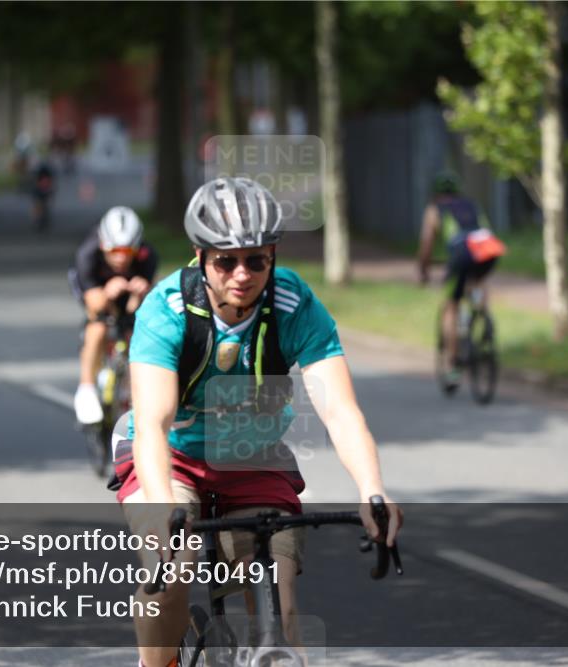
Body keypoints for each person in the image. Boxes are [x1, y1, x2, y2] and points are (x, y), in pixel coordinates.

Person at [112, 177, 402, 667]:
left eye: (256, 260)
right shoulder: (167, 310)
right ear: (200, 255)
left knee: (283, 617)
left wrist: (373, 490)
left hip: (253, 458)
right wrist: (163, 511)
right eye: (226, 260)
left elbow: (339, 410)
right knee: (171, 574)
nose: (241, 273)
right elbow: (155, 422)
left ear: (273, 256)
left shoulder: (293, 304)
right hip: (171, 459)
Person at [417, 170, 505, 386]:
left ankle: (453, 363)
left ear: (436, 193)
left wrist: (424, 269)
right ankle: (481, 313)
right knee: (477, 280)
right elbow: (484, 229)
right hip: (487, 248)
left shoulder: (435, 209)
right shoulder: (472, 204)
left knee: (451, 306)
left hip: (461, 252)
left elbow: (427, 244)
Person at [72, 206, 158, 424]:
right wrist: (108, 293)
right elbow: (94, 304)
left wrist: (141, 294)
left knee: (136, 333)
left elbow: (147, 309)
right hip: (96, 291)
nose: (121, 258)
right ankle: (86, 388)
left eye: (127, 252)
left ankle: (133, 393)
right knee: (98, 327)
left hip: (129, 296)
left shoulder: (148, 257)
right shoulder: (88, 255)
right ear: (103, 245)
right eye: (114, 251)